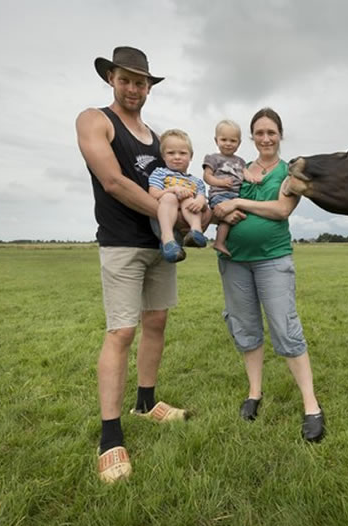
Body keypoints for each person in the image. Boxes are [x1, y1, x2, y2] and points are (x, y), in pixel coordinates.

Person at [75, 46, 192, 484]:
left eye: (140, 82)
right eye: (125, 79)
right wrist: (172, 223)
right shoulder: (94, 119)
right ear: (111, 79)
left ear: (149, 87)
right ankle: (110, 436)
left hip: (159, 246)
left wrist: (193, 208)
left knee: (156, 321)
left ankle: (146, 402)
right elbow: (112, 181)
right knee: (122, 330)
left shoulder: (155, 137)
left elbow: (171, 184)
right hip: (123, 243)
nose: (133, 88)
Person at [213, 107, 325, 443]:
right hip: (234, 260)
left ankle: (311, 406)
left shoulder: (290, 174)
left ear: (280, 135)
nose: (265, 138)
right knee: (245, 327)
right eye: (259, 133)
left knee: (285, 328)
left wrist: (240, 205)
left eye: (271, 132)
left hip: (273, 260)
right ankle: (254, 393)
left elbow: (281, 210)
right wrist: (223, 210)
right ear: (251, 137)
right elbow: (219, 202)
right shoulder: (237, 168)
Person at [148, 128, 208, 262]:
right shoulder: (160, 173)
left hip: (184, 226)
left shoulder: (196, 181)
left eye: (182, 153)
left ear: (191, 156)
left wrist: (199, 201)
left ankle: (196, 233)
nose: (177, 157)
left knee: (191, 199)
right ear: (163, 156)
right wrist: (173, 189)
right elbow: (153, 194)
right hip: (164, 223)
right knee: (169, 197)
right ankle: (167, 239)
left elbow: (202, 198)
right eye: (171, 153)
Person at [202, 120, 261, 257]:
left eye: (233, 141)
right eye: (224, 140)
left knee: (231, 219)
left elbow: (245, 172)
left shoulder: (240, 161)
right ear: (216, 140)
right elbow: (207, 177)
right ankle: (210, 238)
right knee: (225, 217)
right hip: (219, 194)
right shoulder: (213, 158)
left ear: (239, 143)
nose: (228, 143)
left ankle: (219, 242)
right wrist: (220, 182)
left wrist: (252, 178)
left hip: (235, 196)